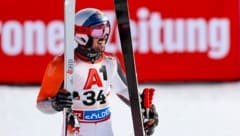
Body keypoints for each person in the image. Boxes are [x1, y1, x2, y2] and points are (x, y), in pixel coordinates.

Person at [36, 8, 158, 136]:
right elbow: (41, 104)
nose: (104, 36)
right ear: (81, 35)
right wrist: (55, 104)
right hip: (78, 130)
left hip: (105, 130)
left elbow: (123, 90)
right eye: (98, 31)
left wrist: (145, 109)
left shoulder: (110, 62)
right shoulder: (62, 65)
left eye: (106, 29)